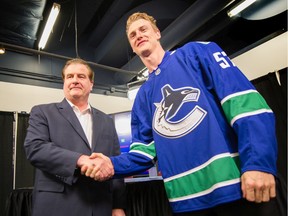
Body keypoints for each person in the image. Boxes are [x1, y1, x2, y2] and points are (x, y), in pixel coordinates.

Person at [85, 12, 280, 215]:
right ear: (132, 47)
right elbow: (143, 153)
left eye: (143, 29)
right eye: (132, 35)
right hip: (185, 202)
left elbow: (245, 104)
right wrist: (111, 163)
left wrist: (258, 162)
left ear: (157, 33)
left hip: (237, 187)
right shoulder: (143, 97)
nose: (138, 35)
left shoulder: (197, 53)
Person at [24, 58, 126, 216]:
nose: (75, 80)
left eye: (81, 76)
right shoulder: (42, 112)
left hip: (100, 207)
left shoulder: (106, 121)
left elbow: (114, 164)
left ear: (91, 84)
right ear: (63, 83)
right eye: (70, 76)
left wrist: (118, 206)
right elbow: (35, 149)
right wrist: (80, 159)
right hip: (58, 207)